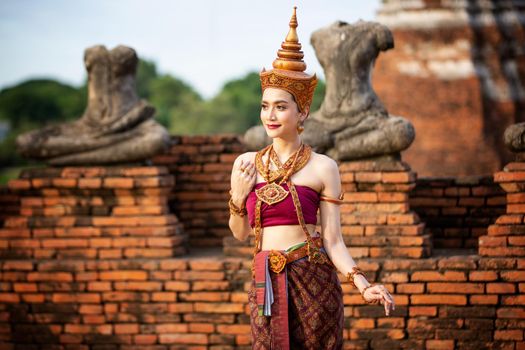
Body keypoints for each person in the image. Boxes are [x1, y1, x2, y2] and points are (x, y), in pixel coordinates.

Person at [228, 7, 395, 349]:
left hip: (312, 281)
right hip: (266, 284)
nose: (269, 115)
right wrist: (238, 197)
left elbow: (333, 240)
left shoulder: (323, 167)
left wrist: (363, 285)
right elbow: (241, 233)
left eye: (280, 106)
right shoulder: (246, 164)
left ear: (302, 111)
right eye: (265, 106)